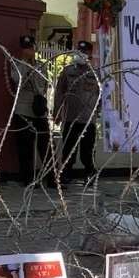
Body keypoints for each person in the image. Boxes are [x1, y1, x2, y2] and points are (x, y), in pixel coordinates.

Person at [7, 35, 51, 185]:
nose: (30, 51)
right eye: (27, 48)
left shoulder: (41, 65)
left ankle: (52, 178)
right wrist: (26, 64)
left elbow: (45, 85)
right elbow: (18, 80)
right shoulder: (17, 64)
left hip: (38, 109)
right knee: (25, 147)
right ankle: (28, 179)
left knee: (45, 145)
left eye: (31, 48)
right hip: (23, 110)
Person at [54, 41, 100, 181]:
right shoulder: (68, 71)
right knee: (68, 150)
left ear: (90, 54)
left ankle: (90, 174)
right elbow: (59, 93)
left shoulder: (95, 73)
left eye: (85, 52)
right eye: (79, 51)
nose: (81, 54)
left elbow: (101, 94)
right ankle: (66, 174)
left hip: (88, 119)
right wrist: (57, 113)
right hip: (71, 117)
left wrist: (98, 111)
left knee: (87, 151)